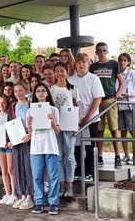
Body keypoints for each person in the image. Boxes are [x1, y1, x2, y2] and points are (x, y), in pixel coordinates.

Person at [68, 53, 104, 181]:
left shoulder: (93, 78)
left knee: (89, 146)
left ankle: (90, 172)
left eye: (83, 62)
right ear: (75, 64)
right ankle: (79, 171)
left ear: (88, 63)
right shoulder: (71, 80)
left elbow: (98, 98)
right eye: (78, 62)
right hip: (75, 119)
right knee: (76, 146)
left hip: (91, 119)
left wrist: (88, 117)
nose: (81, 64)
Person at [27, 83, 61, 215]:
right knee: (37, 176)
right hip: (36, 147)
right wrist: (29, 123)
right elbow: (29, 133)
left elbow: (57, 131)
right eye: (38, 91)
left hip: (51, 146)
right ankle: (39, 202)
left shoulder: (53, 110)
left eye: (43, 91)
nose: (41, 93)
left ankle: (53, 203)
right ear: (35, 94)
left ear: (47, 93)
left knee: (53, 176)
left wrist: (52, 121)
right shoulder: (30, 110)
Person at [89, 42, 124, 168]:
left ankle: (118, 156)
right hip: (97, 100)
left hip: (110, 99)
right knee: (100, 130)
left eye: (104, 50)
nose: (102, 53)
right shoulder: (93, 67)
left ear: (107, 51)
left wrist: (117, 96)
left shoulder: (114, 64)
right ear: (96, 52)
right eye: (99, 51)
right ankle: (99, 156)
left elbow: (121, 82)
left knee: (114, 129)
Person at [50, 62, 80, 197]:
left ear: (66, 71)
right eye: (57, 71)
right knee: (59, 156)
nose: (60, 74)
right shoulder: (51, 89)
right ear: (54, 73)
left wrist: (76, 123)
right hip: (56, 126)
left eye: (62, 71)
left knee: (69, 156)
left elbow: (78, 106)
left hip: (69, 127)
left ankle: (70, 186)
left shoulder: (72, 89)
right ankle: (61, 185)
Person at [8, 84, 34, 210]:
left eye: (20, 90)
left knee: (28, 167)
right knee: (18, 167)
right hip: (16, 140)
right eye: (16, 91)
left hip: (28, 138)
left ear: (26, 91)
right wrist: (9, 140)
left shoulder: (31, 105)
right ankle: (22, 195)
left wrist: (31, 134)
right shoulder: (13, 106)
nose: (18, 93)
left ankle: (30, 196)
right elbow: (9, 124)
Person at [0, 95, 17, 205]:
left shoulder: (11, 115)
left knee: (11, 170)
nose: (1, 105)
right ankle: (7, 194)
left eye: (3, 103)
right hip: (0, 145)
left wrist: (11, 141)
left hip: (9, 145)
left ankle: (14, 194)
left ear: (6, 103)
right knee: (3, 170)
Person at [117, 53, 134, 164]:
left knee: (132, 130)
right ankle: (127, 155)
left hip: (130, 105)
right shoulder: (117, 73)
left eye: (124, 60)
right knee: (123, 131)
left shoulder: (132, 73)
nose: (122, 62)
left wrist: (129, 94)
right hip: (119, 106)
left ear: (128, 62)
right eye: (120, 60)